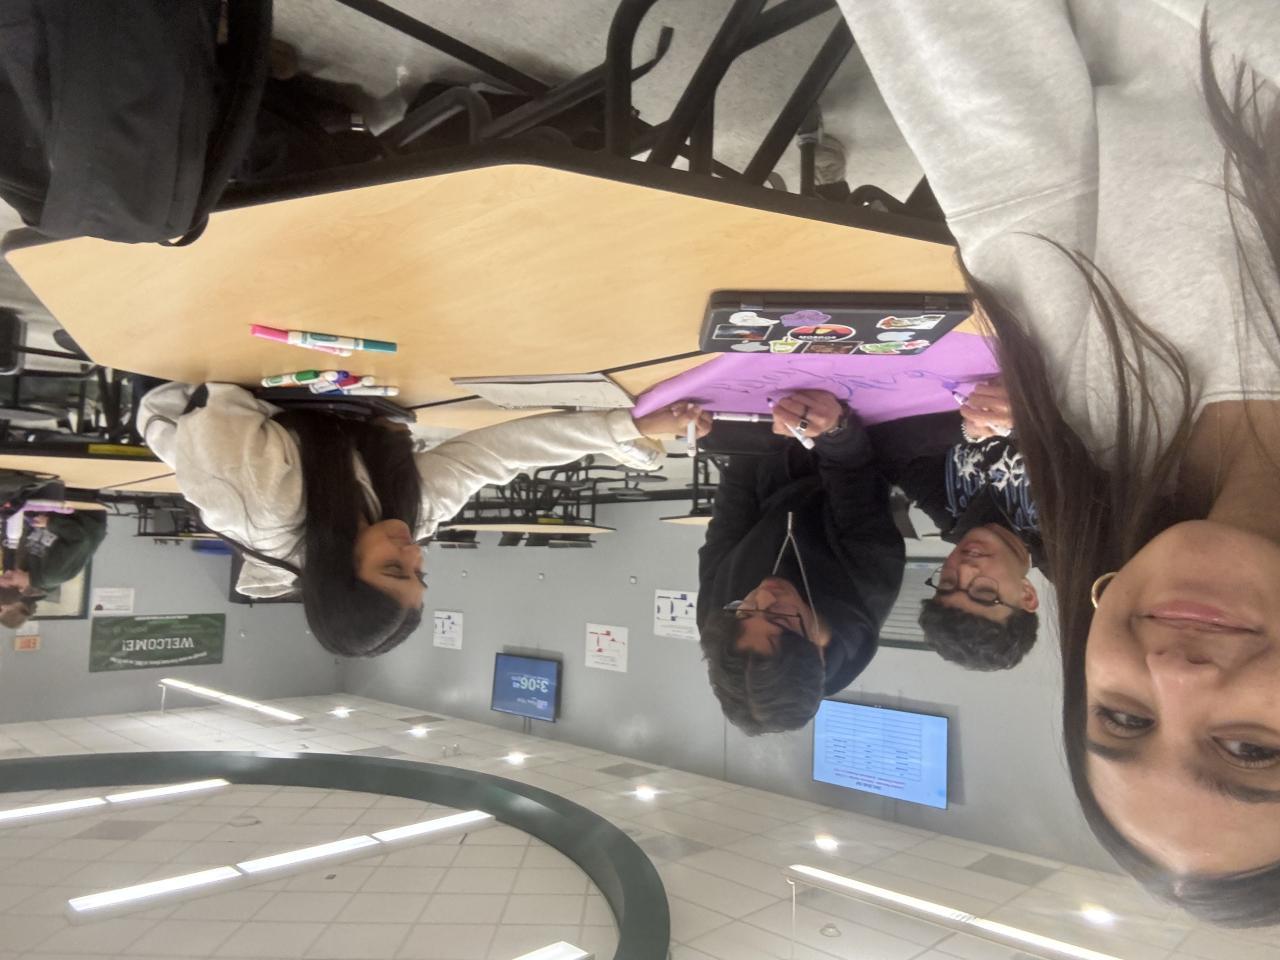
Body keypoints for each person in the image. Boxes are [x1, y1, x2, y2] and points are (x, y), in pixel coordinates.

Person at [834, 0, 1280, 926]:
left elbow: (974, 82)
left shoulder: (1089, 416)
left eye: (1124, 718)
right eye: (1251, 749)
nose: (1174, 673)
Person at [139, 382, 700, 657]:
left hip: (180, 385)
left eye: (394, 569)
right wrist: (625, 428)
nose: (414, 552)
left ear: (337, 572)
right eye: (419, 573)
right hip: (309, 390)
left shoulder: (258, 506)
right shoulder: (409, 518)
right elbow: (496, 457)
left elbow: (217, 394)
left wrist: (332, 396)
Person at [694, 390, 905, 734]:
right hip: (849, 442)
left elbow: (731, 516)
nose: (764, 594)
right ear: (818, 651)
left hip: (767, 457)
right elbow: (854, 478)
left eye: (744, 610)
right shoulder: (868, 588)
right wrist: (832, 430)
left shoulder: (720, 624)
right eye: (780, 617)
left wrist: (746, 437)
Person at [868, 380, 1042, 671]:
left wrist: (964, 430)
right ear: (1027, 595)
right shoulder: (1064, 536)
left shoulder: (951, 511)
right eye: (984, 592)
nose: (964, 569)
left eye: (947, 583)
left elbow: (883, 453)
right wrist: (1019, 424)